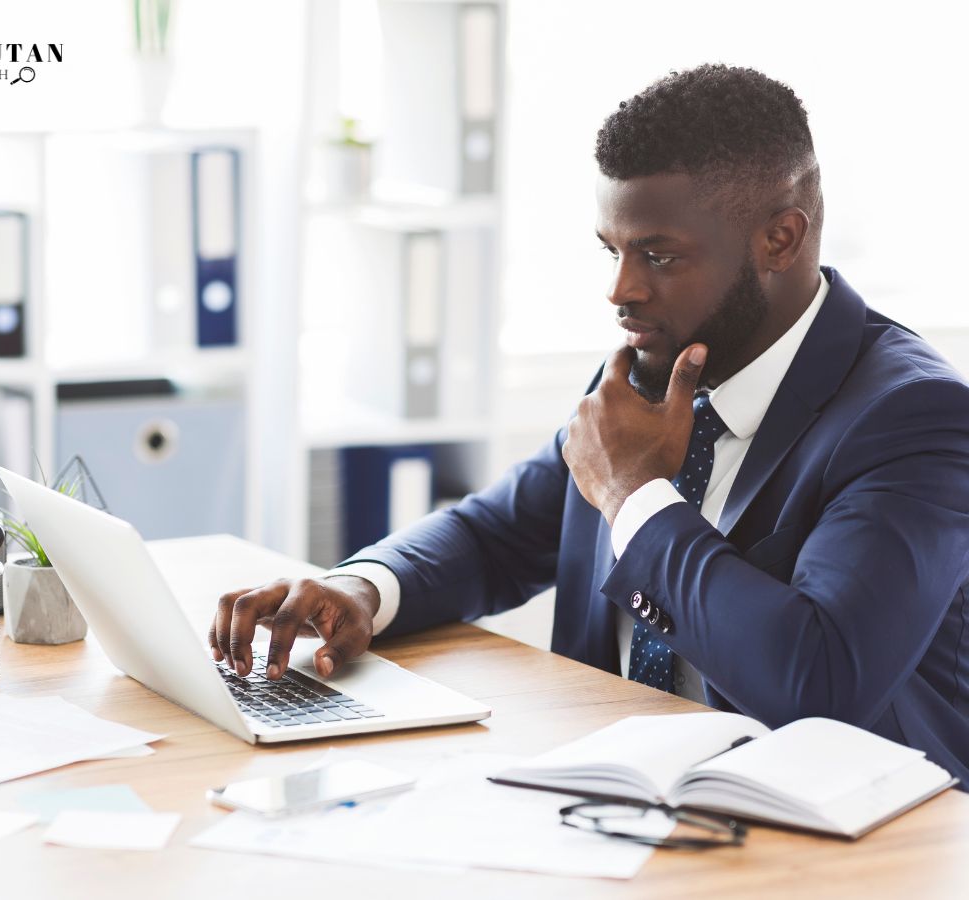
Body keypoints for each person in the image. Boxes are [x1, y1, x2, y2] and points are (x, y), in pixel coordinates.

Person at [209, 64, 969, 785]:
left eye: (659, 255)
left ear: (781, 238)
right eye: (611, 250)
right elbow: (495, 535)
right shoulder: (651, 366)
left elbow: (819, 682)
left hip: (839, 846)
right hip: (612, 801)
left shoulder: (914, 418)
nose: (620, 290)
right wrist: (363, 589)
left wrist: (636, 495)